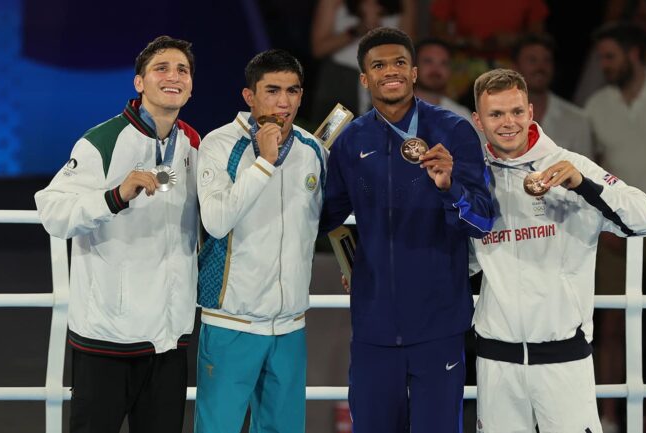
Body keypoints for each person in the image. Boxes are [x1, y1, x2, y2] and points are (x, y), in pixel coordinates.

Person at [320, 27, 495, 432]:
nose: (391, 72)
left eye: (399, 62)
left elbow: (483, 221)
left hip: (439, 322)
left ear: (414, 72)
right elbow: (322, 217)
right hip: (374, 324)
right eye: (378, 65)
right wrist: (298, 172)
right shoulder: (350, 142)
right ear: (365, 78)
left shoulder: (453, 131)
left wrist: (451, 188)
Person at [469, 68, 646, 433]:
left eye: (516, 112)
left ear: (531, 111)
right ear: (478, 120)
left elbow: (644, 219)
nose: (508, 123)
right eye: (496, 114)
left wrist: (584, 185)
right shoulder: (473, 179)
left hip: (563, 359)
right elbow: (460, 262)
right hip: (496, 362)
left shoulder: (571, 165)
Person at [34, 36, 199, 433]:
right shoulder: (102, 142)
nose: (173, 76)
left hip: (168, 339)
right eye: (162, 68)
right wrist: (115, 196)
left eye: (183, 70)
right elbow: (53, 211)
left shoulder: (194, 144)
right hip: (107, 340)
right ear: (139, 82)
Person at [194, 49, 327, 433]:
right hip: (231, 321)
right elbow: (216, 221)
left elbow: (329, 219)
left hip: (290, 325)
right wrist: (264, 163)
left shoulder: (312, 149)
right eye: (272, 90)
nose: (283, 102)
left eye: (292, 90)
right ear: (249, 96)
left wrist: (351, 265)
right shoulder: (218, 145)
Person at [584, 21, 646, 432]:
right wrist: (608, 210)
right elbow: (590, 164)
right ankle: (608, 418)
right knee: (607, 322)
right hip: (613, 223)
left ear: (633, 54)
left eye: (610, 57)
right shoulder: (595, 105)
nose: (604, 65)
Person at [311, 0, 416, 119]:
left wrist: (378, 30)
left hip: (385, 77)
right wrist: (357, 30)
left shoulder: (406, 2)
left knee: (383, 134)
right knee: (331, 134)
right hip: (340, 77)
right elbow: (318, 49)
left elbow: (407, 51)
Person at [574, 0, 646, 106]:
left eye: (644, 19)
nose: (636, 28)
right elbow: (582, 104)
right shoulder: (608, 49)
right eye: (636, 17)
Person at [512, 33, 594, 159]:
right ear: (515, 68)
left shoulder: (577, 120)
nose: (540, 67)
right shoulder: (495, 118)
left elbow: (586, 174)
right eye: (532, 60)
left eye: (547, 60)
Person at [413, 37, 485, 143]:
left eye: (443, 63)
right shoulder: (391, 112)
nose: (436, 70)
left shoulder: (461, 116)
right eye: (428, 61)